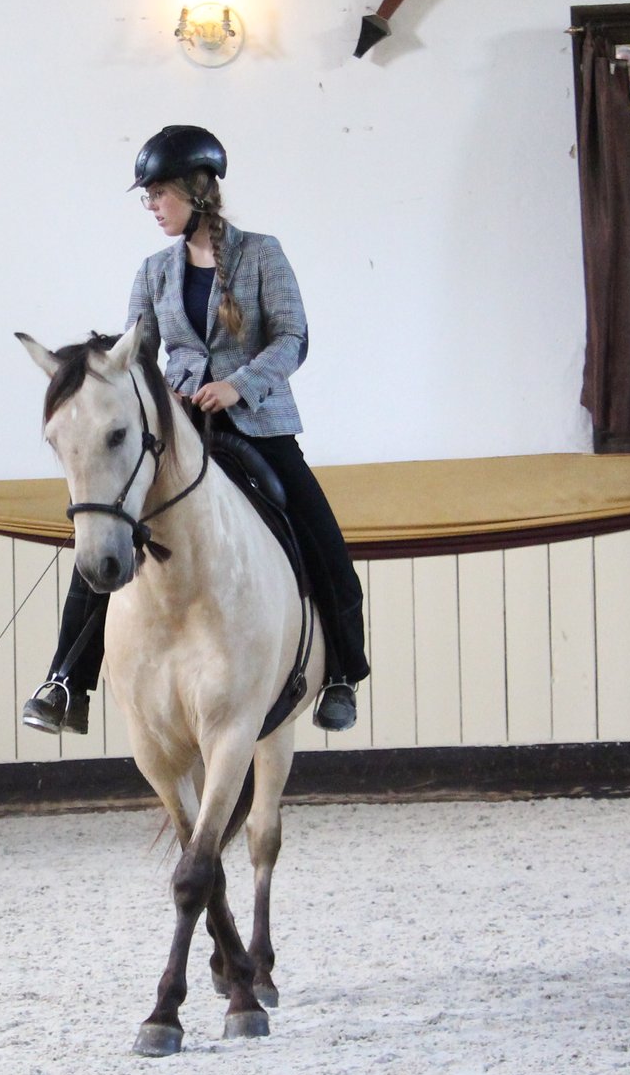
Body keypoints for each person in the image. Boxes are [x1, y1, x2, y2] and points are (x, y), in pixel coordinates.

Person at [22, 125, 370, 735]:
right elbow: (139, 354)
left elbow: (294, 338)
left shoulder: (262, 254)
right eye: (148, 197)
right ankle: (65, 680)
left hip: (257, 428)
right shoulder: (154, 272)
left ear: (196, 190)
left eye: (159, 194)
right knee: (113, 530)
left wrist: (241, 385)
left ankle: (340, 672)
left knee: (323, 536)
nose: (152, 206)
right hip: (182, 432)